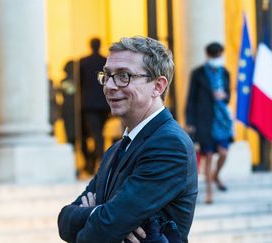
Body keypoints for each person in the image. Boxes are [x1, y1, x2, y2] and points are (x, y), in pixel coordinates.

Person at [58, 36, 198, 243]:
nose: (110, 86)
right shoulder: (115, 149)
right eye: (107, 75)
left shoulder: (169, 144)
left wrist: (100, 215)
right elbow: (64, 222)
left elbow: (100, 232)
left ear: (158, 86)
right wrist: (104, 215)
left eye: (124, 76)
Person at [185, 42, 233, 204]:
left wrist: (223, 96)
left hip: (222, 121)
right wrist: (190, 121)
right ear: (208, 55)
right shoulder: (198, 73)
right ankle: (209, 193)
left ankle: (216, 175)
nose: (217, 58)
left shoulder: (225, 73)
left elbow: (228, 97)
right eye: (215, 56)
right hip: (204, 119)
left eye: (219, 55)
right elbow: (191, 99)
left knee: (224, 153)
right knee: (209, 156)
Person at [79, 38, 110, 175]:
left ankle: (96, 163)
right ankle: (96, 162)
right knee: (98, 134)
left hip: (89, 105)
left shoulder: (83, 62)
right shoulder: (105, 61)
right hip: (103, 104)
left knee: (96, 135)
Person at [58, 60, 76, 145]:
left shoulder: (65, 81)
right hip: (70, 108)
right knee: (70, 133)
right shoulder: (65, 81)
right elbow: (70, 92)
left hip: (69, 108)